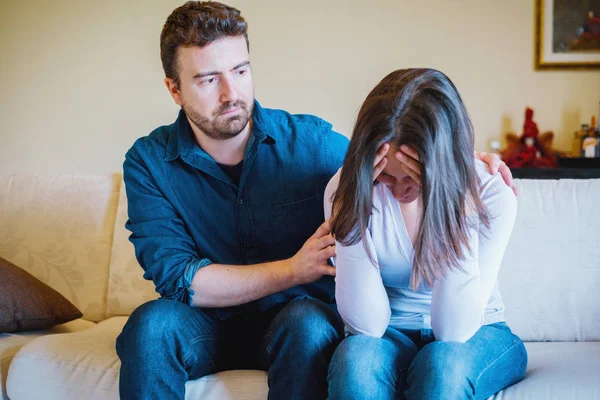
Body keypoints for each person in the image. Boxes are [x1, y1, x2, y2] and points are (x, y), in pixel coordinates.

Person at [116, 2, 515, 399]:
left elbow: (389, 151)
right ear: (174, 88)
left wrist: (454, 160)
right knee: (151, 326)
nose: (231, 92)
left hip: (293, 321)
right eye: (207, 79)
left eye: (240, 70)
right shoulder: (149, 162)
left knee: (307, 322)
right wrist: (293, 269)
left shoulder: (314, 144)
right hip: (202, 323)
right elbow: (180, 279)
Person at [325, 68, 527, 400]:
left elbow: (454, 330)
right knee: (356, 359)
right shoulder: (349, 187)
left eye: (415, 178)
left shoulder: (491, 192)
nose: (400, 190)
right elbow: (367, 327)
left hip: (480, 331)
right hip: (391, 333)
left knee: (442, 363)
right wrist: (350, 217)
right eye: (388, 177)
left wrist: (451, 203)